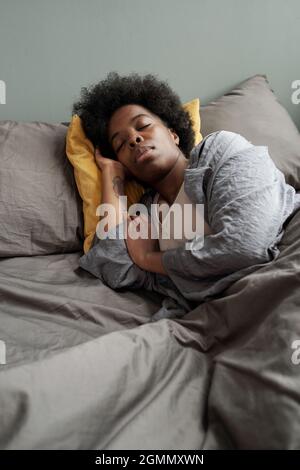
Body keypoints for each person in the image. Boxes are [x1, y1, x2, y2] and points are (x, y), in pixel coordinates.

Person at [73, 71, 300, 321]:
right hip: (230, 315)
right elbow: (110, 263)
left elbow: (244, 246)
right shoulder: (145, 214)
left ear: (173, 133)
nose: (134, 139)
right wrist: (111, 174)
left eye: (143, 126)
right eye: (120, 144)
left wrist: (148, 258)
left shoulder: (221, 151)